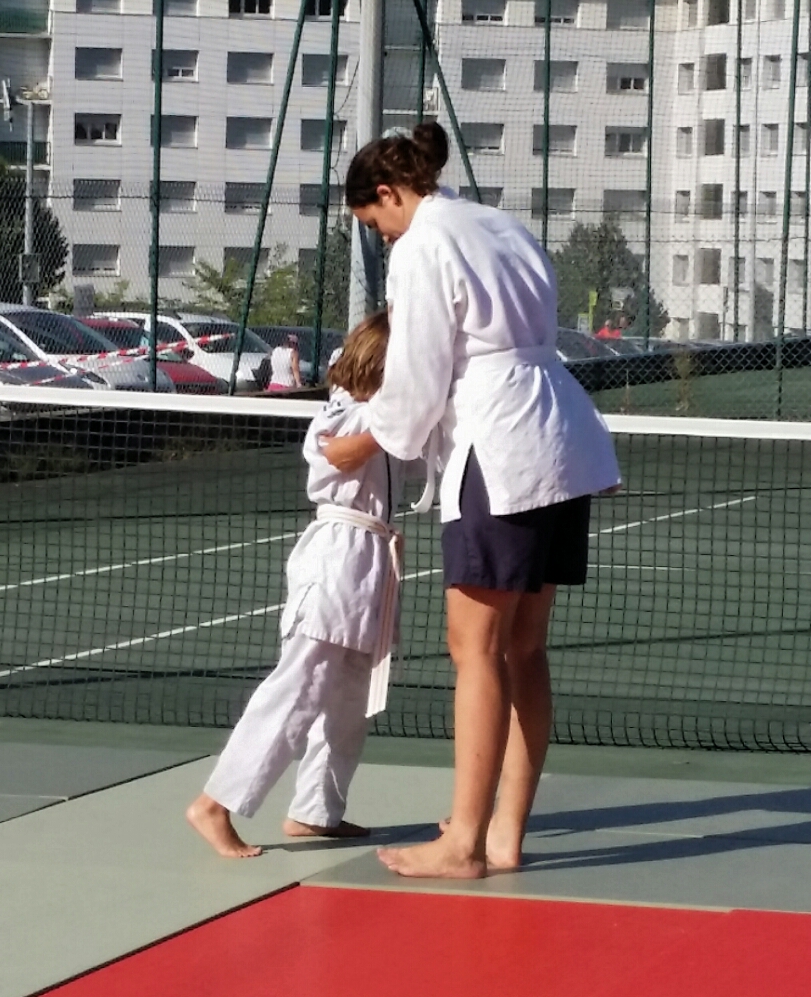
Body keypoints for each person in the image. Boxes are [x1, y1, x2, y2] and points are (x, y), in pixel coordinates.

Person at [321, 121, 622, 880]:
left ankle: (463, 843)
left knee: (476, 649)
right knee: (525, 646)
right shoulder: (501, 225)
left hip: (501, 446)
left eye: (375, 224)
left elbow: (418, 372)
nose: (383, 238)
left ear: (388, 193)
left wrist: (365, 442)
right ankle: (502, 835)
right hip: (559, 438)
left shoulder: (424, 243)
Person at [186, 311, 411, 858]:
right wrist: (396, 422)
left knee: (349, 696)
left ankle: (315, 811)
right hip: (337, 554)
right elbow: (335, 453)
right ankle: (214, 803)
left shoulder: (386, 412)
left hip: (370, 556)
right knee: (300, 685)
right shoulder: (347, 410)